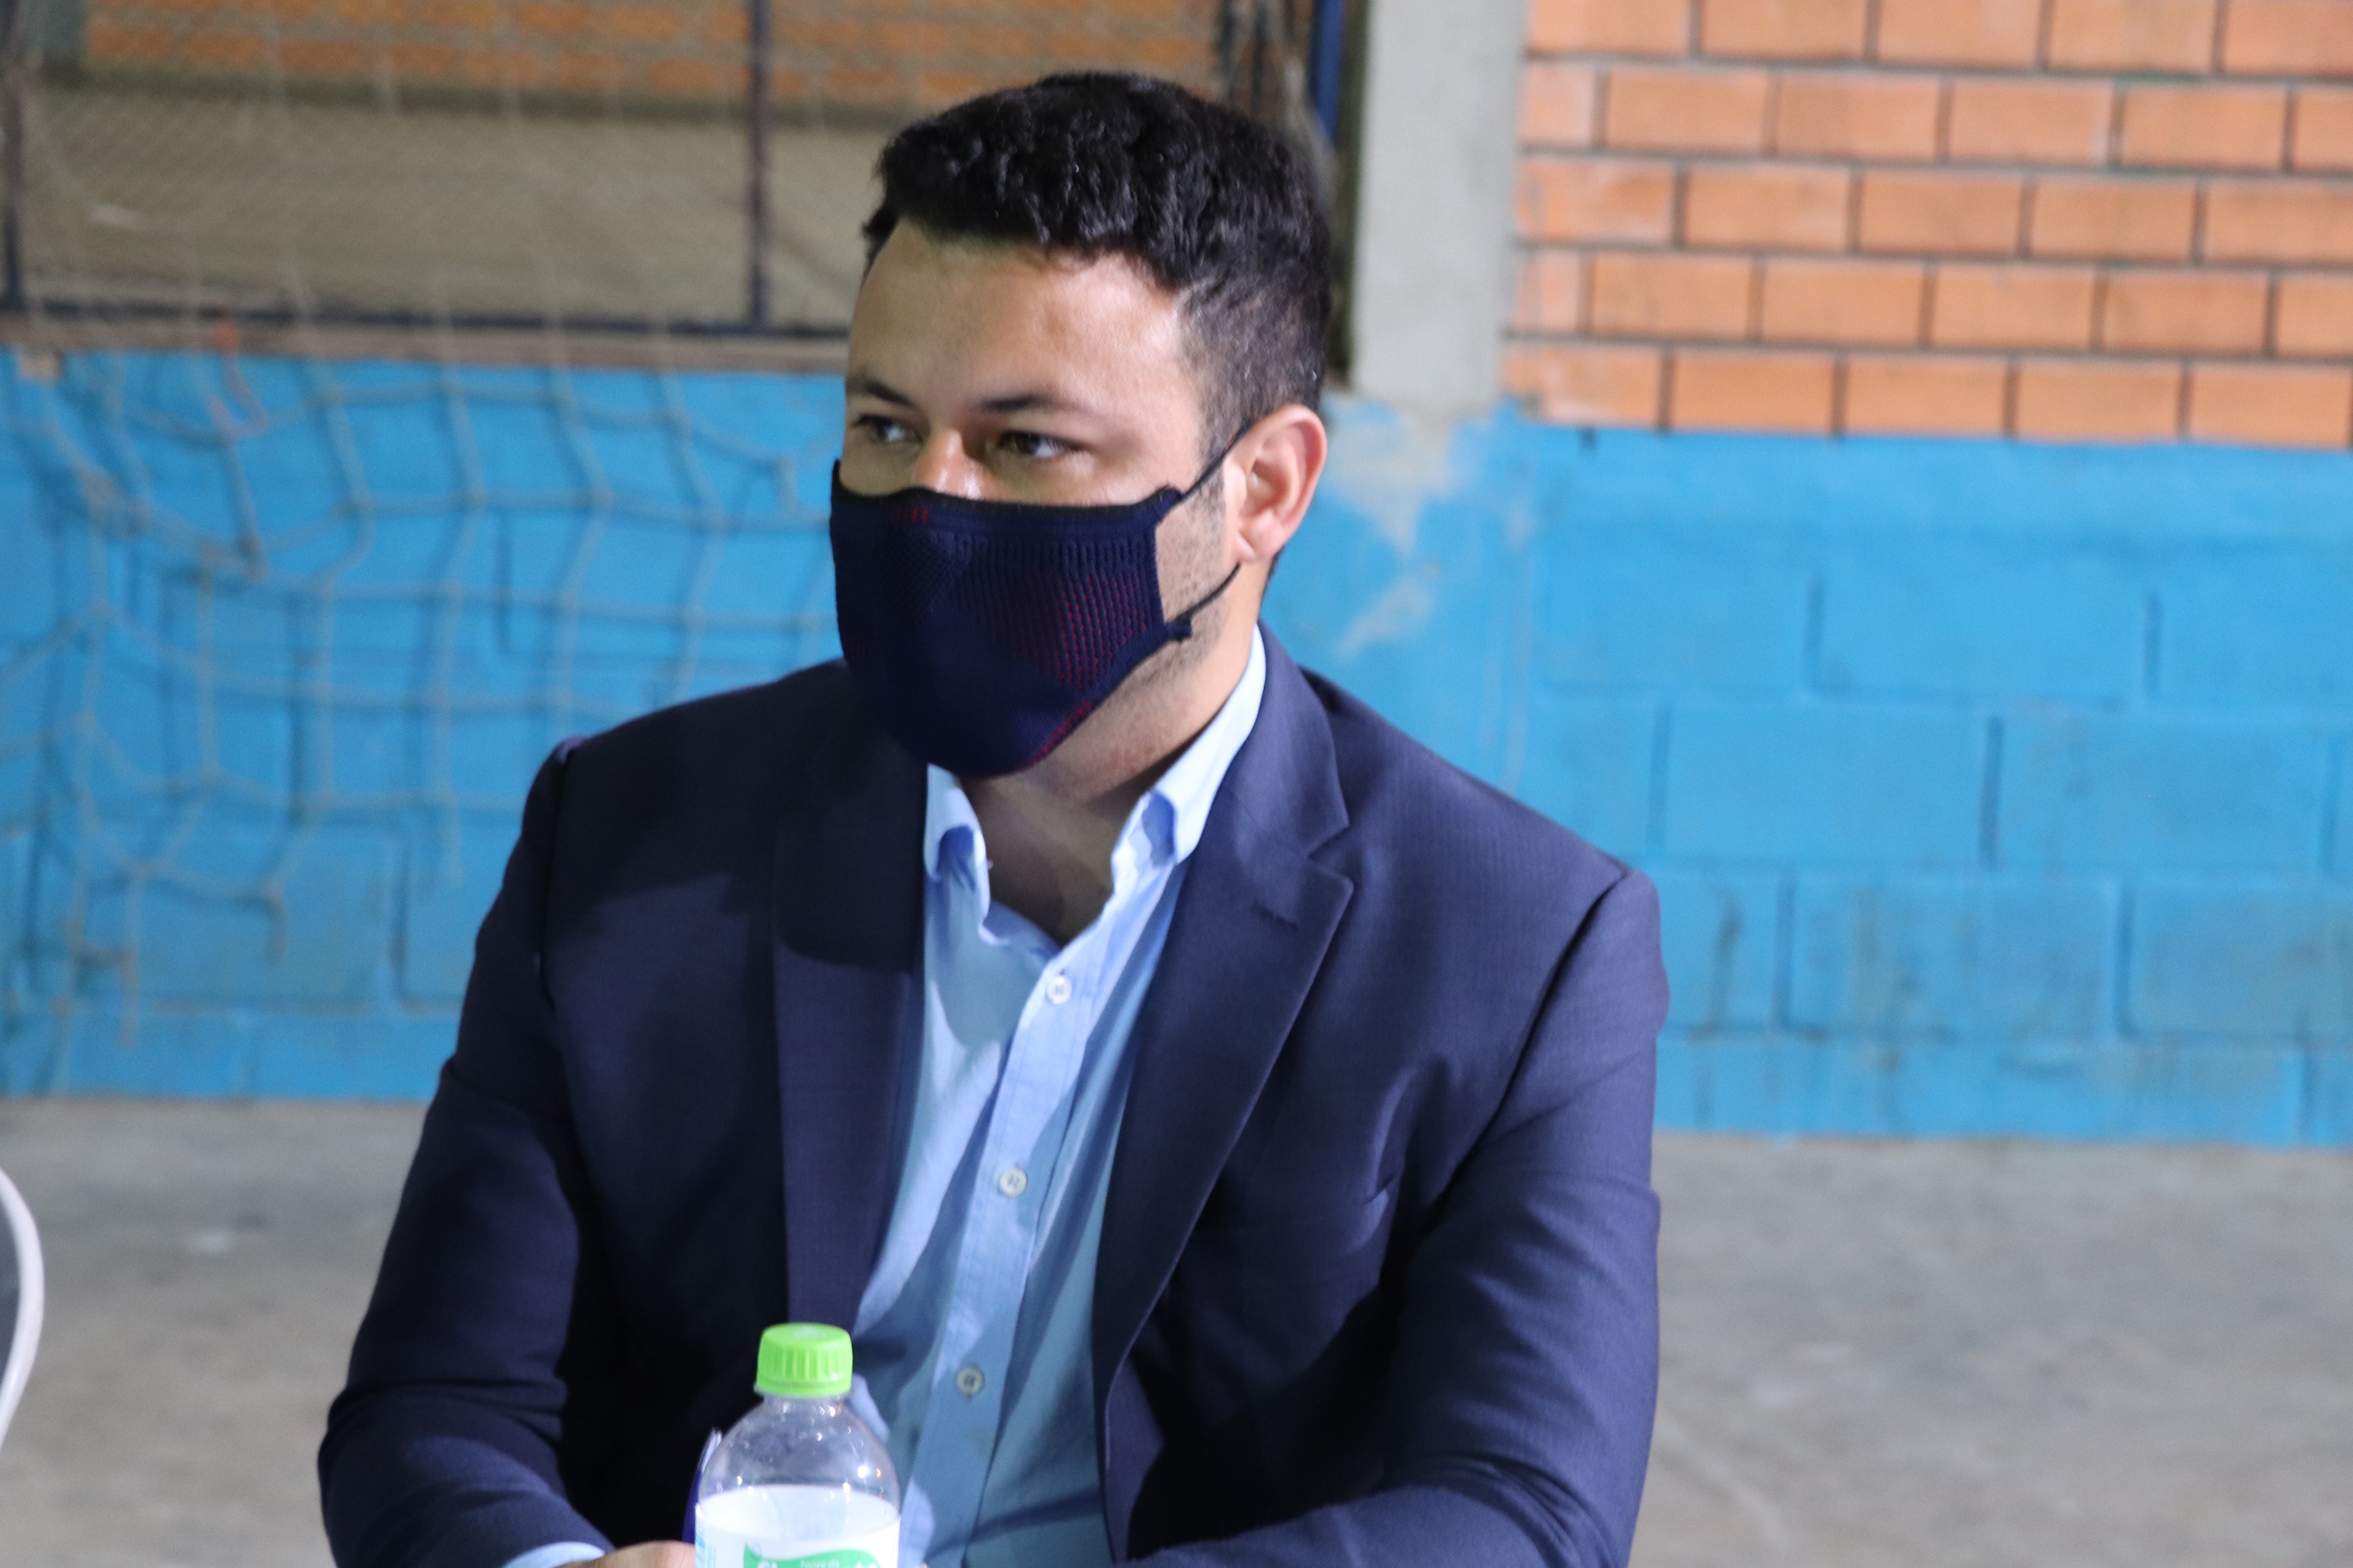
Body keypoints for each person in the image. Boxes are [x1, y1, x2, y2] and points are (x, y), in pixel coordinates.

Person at [320, 71, 1666, 1568]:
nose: (928, 501)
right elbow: (436, 1407)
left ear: (1263, 488)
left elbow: (1524, 1510)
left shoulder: (1517, 948)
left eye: (1025, 445)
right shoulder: (630, 839)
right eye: (886, 425)